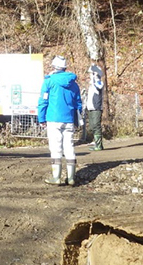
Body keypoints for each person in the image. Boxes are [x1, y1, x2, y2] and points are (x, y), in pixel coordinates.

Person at [38, 55, 82, 186]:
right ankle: (71, 177)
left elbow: (43, 101)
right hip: (69, 119)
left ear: (53, 67)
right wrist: (77, 120)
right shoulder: (74, 84)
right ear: (65, 67)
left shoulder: (49, 81)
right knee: (69, 147)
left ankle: (56, 177)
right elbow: (78, 104)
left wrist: (41, 118)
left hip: (53, 119)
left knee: (56, 148)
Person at [86, 64, 104, 150]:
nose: (90, 75)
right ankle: (96, 143)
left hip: (97, 108)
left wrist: (95, 77)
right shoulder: (91, 84)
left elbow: (99, 86)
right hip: (91, 108)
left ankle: (99, 145)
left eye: (91, 73)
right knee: (92, 126)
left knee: (96, 125)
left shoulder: (99, 82)